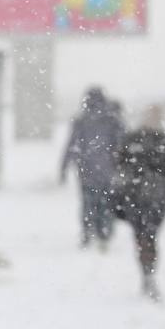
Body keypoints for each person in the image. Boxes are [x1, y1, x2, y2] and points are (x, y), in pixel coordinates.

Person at [111, 105, 165, 302]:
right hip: (156, 195)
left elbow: (119, 162)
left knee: (142, 235)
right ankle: (148, 271)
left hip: (134, 195)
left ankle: (146, 270)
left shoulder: (131, 139)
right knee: (149, 235)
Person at [59, 86, 125, 250]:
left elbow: (72, 145)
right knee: (107, 202)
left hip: (86, 170)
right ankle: (105, 232)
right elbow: (121, 144)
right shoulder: (113, 120)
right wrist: (122, 165)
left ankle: (88, 231)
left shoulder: (81, 120)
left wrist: (64, 167)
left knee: (88, 202)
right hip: (108, 170)